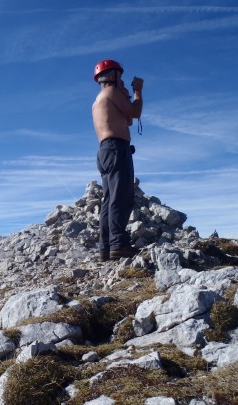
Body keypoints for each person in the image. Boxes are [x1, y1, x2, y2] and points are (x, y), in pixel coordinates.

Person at [92, 59, 144, 261]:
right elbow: (135, 112)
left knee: (108, 200)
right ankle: (119, 244)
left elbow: (127, 120)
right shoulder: (111, 92)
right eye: (120, 76)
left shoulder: (99, 99)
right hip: (116, 148)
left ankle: (106, 248)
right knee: (120, 197)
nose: (122, 80)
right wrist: (137, 92)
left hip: (105, 150)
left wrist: (125, 95)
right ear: (112, 75)